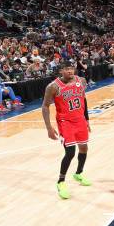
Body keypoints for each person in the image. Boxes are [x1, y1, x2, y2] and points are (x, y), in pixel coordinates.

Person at [42, 61, 92, 199]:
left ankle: (79, 173)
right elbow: (45, 106)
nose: (70, 71)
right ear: (61, 71)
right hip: (65, 122)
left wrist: (87, 119)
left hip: (80, 119)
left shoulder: (80, 81)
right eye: (66, 69)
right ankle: (61, 181)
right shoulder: (53, 86)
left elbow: (84, 99)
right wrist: (49, 127)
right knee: (70, 152)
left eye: (71, 68)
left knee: (84, 148)